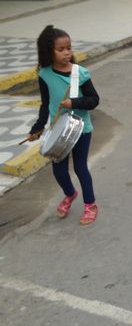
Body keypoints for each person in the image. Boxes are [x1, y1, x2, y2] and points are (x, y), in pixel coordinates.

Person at [26, 25, 100, 224]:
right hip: (58, 130)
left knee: (80, 168)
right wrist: (37, 128)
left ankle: (90, 205)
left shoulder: (80, 73)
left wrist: (73, 103)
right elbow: (45, 104)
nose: (67, 52)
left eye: (69, 48)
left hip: (81, 129)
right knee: (58, 171)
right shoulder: (45, 74)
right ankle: (70, 194)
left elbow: (94, 100)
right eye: (61, 49)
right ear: (48, 51)